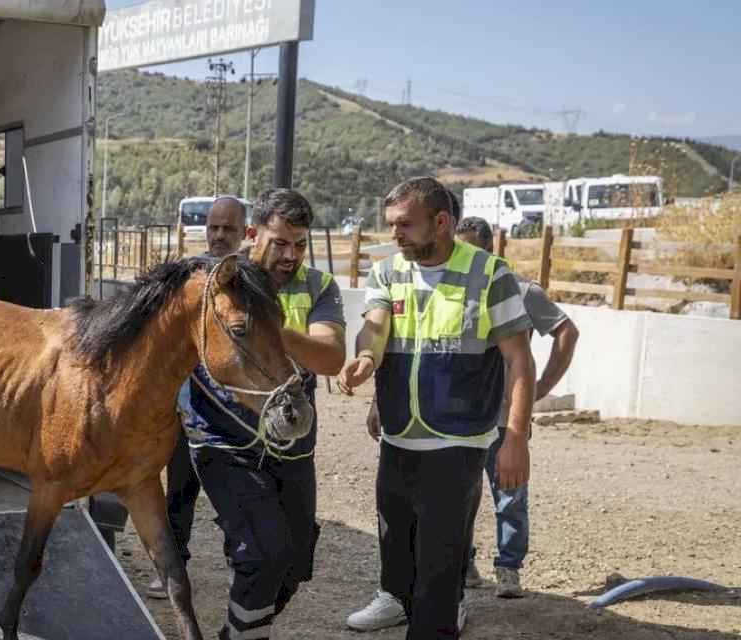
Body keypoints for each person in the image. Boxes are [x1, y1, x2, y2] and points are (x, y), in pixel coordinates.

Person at [339, 177, 537, 638]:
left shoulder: (491, 274)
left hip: (458, 440)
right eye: (391, 225)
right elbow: (375, 326)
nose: (395, 234)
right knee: (395, 536)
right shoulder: (388, 271)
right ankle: (395, 600)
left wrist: (515, 438)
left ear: (442, 222)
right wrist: (366, 358)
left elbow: (519, 360)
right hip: (398, 434)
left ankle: (434, 624)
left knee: (440, 562)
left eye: (405, 224)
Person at [180, 188, 346, 639]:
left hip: (292, 446)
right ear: (252, 235)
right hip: (223, 441)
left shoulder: (318, 287)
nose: (291, 255)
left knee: (291, 565)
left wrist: (271, 331)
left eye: (300, 244)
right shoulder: (216, 283)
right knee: (261, 553)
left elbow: (331, 358)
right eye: (280, 242)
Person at [454, 216, 579, 598]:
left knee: (510, 495)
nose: (465, 257)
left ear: (491, 249)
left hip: (505, 419)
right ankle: (464, 564)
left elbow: (566, 332)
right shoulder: (453, 288)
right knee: (459, 495)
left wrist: (540, 389)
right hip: (461, 417)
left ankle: (508, 568)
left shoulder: (519, 289)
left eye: (472, 248)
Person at [147, 196, 249, 598]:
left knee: (235, 499)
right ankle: (172, 571)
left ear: (245, 232)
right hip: (187, 412)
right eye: (214, 228)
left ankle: (239, 568)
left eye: (229, 229)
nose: (220, 236)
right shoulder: (186, 275)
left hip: (237, 416)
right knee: (178, 495)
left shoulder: (250, 280)